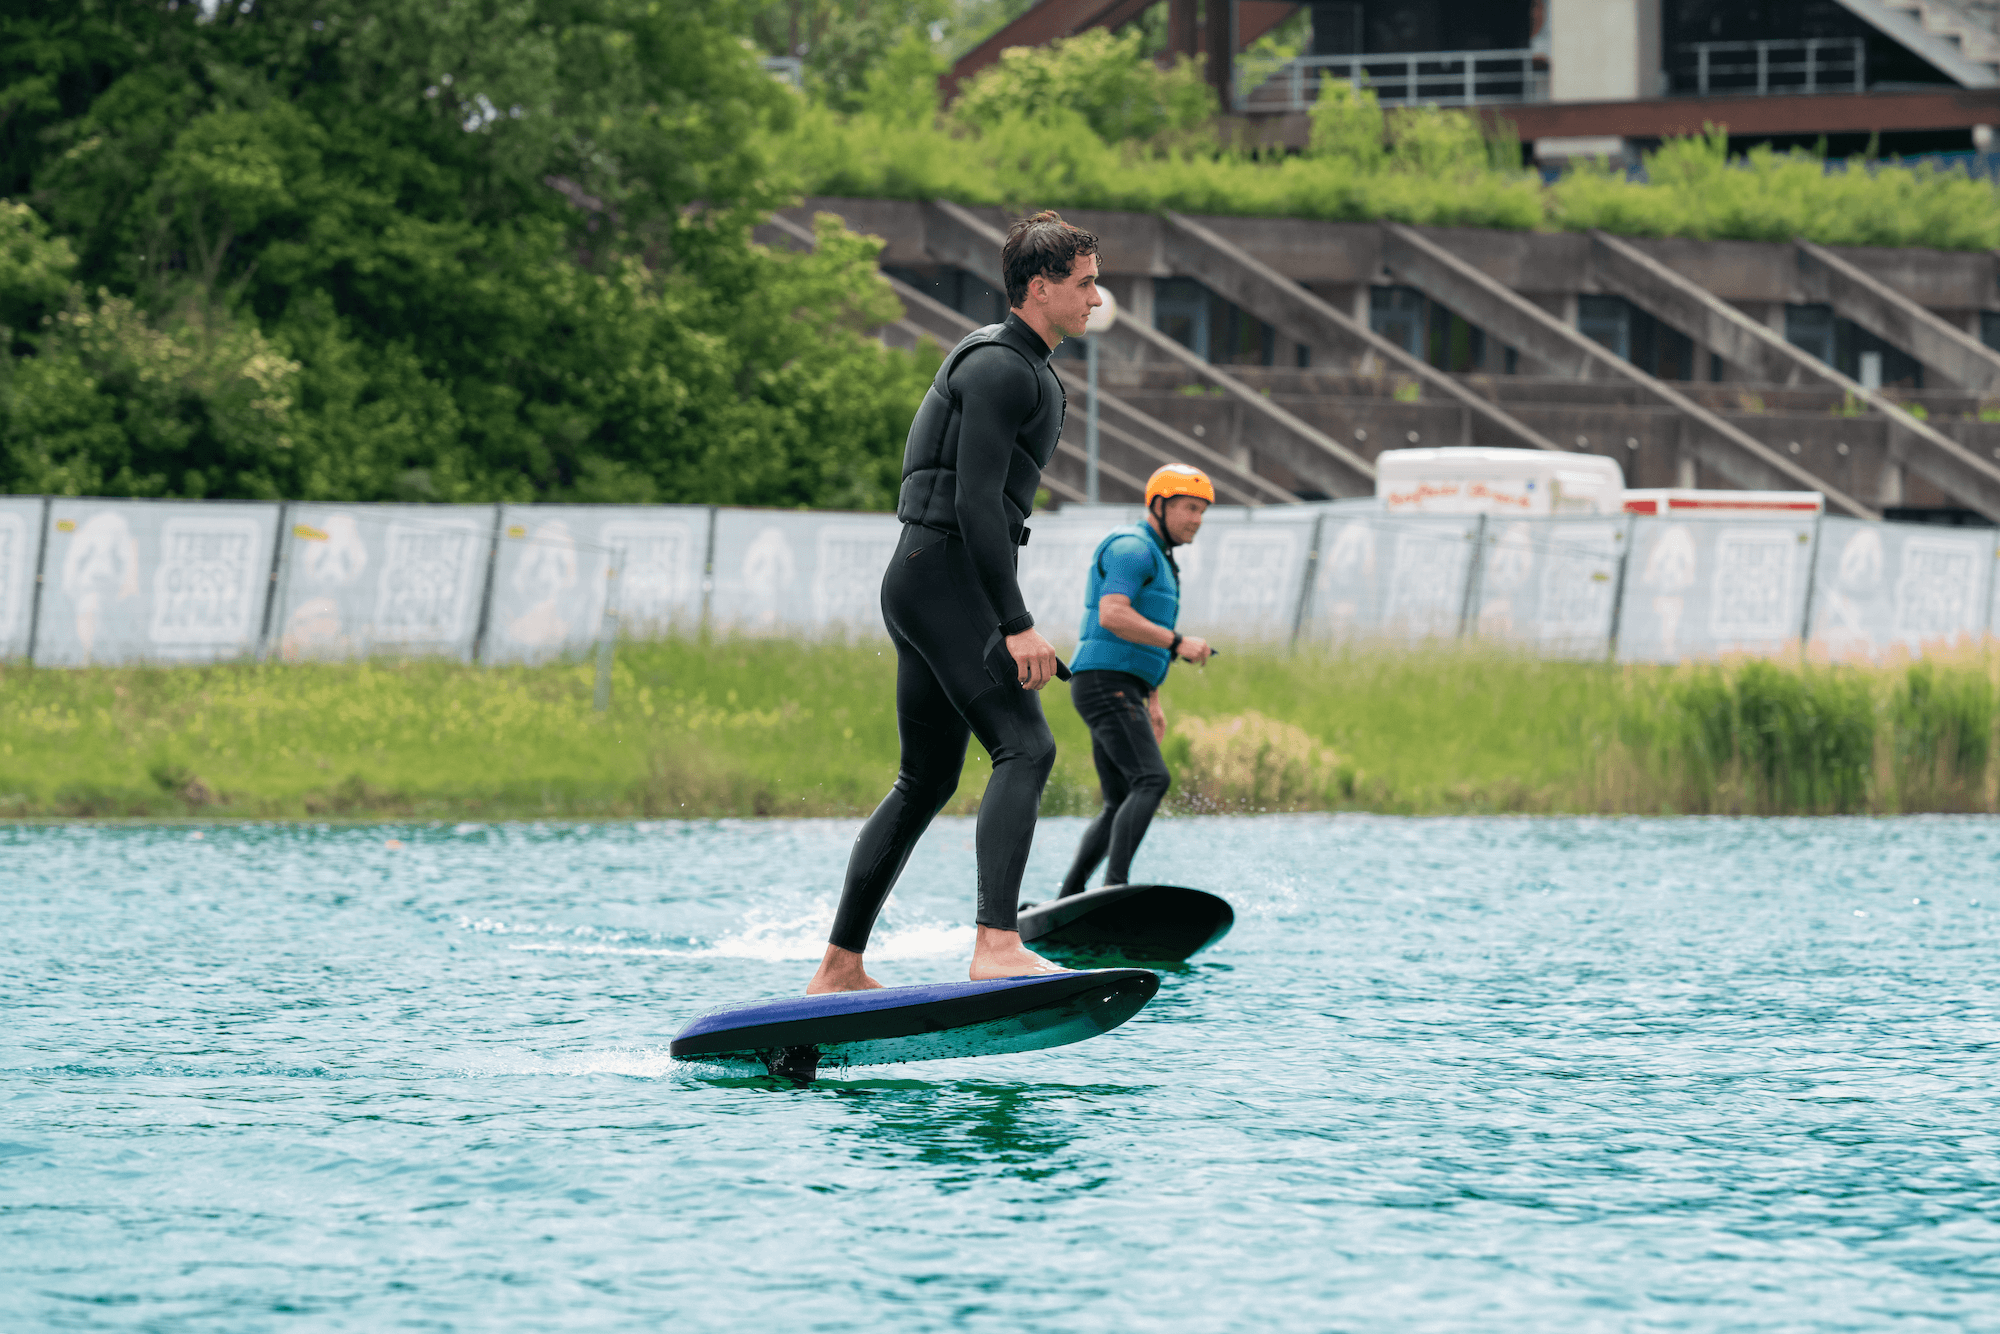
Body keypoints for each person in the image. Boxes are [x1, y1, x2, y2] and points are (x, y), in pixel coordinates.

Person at [805, 211, 1104, 994]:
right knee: (1026, 748)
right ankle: (996, 944)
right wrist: (1016, 624)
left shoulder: (1014, 362)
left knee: (927, 778)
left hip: (923, 575)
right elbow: (976, 504)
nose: (1096, 299)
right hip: (944, 574)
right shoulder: (1003, 367)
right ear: (1039, 288)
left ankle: (840, 967)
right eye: (1084, 284)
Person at [1055, 465, 1215, 899]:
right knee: (1151, 780)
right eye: (1189, 508)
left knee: (1120, 796)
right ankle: (1114, 889)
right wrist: (1180, 642)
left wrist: (1153, 700)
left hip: (1119, 685)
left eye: (1202, 510)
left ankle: (1068, 897)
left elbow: (1144, 635)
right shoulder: (1132, 549)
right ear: (1159, 505)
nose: (1197, 518)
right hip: (1105, 683)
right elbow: (1113, 614)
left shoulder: (1160, 557)